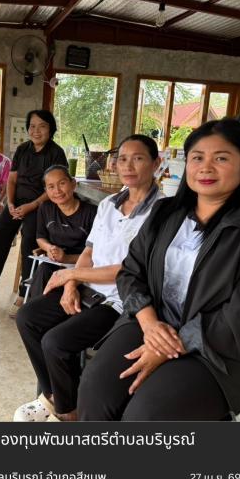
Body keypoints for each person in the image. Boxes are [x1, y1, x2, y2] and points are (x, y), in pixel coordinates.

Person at [77, 118, 240, 421]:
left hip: (218, 350)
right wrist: (150, 325)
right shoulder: (166, 212)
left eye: (221, 158)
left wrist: (171, 345)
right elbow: (131, 272)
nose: (206, 167)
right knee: (95, 390)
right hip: (151, 323)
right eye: (197, 158)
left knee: (144, 416)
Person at [14, 135, 165, 421]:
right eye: (122, 159)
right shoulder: (108, 205)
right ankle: (58, 398)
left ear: (156, 163)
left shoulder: (162, 212)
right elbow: (89, 251)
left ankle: (65, 411)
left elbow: (129, 271)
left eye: (138, 158)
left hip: (118, 301)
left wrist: (71, 274)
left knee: (55, 342)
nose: (128, 166)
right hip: (86, 287)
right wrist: (72, 284)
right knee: (27, 318)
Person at [0, 110, 68, 317]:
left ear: (51, 129)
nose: (36, 131)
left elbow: (55, 187)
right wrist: (10, 203)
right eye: (32, 126)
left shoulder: (56, 153)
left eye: (42, 126)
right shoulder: (22, 149)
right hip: (17, 203)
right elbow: (12, 180)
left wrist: (32, 205)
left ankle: (24, 294)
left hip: (41, 206)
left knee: (29, 240)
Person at [28, 165, 97, 299]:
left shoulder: (92, 213)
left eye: (62, 183)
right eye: (51, 187)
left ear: (73, 184)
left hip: (81, 266)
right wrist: (49, 248)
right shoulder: (45, 208)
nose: (57, 191)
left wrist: (66, 258)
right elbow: (40, 237)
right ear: (46, 190)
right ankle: (36, 307)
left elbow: (97, 254)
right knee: (43, 270)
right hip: (54, 263)